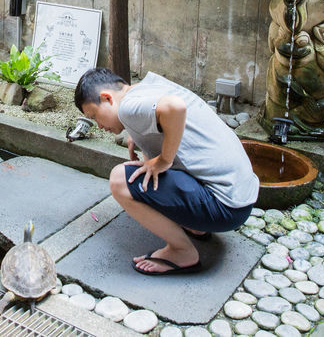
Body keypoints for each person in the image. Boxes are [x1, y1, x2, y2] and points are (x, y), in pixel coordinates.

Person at [74, 68, 258, 275]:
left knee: (119, 180)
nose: (98, 126)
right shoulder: (149, 86)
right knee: (143, 174)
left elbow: (174, 107)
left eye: (94, 115)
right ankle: (196, 226)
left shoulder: (127, 107)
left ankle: (182, 252)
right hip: (240, 198)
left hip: (225, 207)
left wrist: (163, 160)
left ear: (107, 98)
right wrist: (138, 135)